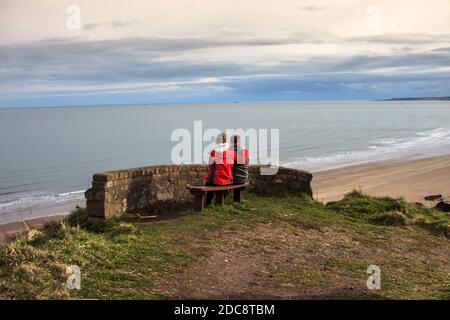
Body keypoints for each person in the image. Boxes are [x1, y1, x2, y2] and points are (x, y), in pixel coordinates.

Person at [204, 132, 234, 206]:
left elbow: (210, 165)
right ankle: (221, 202)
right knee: (214, 180)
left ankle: (208, 203)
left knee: (209, 181)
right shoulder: (230, 151)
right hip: (227, 178)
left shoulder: (214, 152)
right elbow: (232, 165)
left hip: (217, 180)